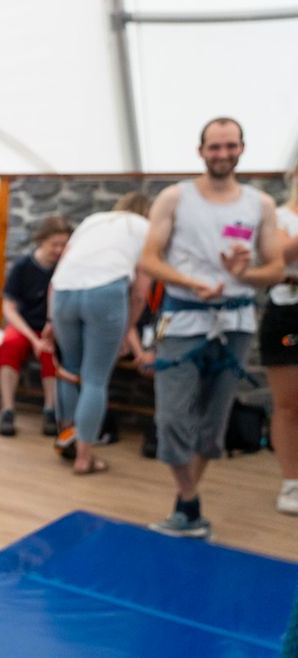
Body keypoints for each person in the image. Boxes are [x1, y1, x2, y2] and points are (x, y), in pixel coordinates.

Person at [139, 117, 284, 539]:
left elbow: (274, 269)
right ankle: (188, 498)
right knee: (170, 419)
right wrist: (191, 283)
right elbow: (149, 260)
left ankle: (186, 506)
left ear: (241, 149)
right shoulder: (174, 198)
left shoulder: (260, 205)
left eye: (230, 146)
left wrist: (247, 272)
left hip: (235, 323)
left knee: (212, 422)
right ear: (200, 151)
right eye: (214, 147)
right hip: (183, 319)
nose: (222, 154)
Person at [47, 193, 153, 475]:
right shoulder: (146, 229)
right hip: (106, 293)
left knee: (69, 369)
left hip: (64, 293)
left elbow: (59, 273)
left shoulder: (93, 221)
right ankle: (84, 458)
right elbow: (141, 293)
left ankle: (66, 439)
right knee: (95, 378)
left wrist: (50, 319)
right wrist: (125, 330)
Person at [0, 215, 72, 437]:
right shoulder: (23, 267)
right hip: (24, 326)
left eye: (63, 245)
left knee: (51, 353)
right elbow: (9, 308)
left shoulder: (66, 267)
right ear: (41, 241)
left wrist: (48, 335)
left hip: (53, 327)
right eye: (54, 244)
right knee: (9, 346)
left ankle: (51, 410)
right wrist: (32, 338)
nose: (58, 250)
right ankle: (7, 410)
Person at [264, 165, 298, 514]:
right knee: (289, 403)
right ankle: (291, 483)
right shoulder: (277, 215)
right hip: (288, 313)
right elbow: (274, 261)